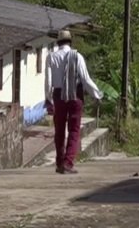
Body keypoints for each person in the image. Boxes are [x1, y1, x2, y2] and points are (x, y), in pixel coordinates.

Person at [43, 29, 102, 174]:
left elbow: (48, 81)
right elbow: (85, 78)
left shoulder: (51, 57)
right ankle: (68, 163)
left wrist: (49, 98)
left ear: (58, 42)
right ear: (70, 42)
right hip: (75, 95)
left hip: (58, 95)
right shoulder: (77, 56)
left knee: (59, 130)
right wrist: (97, 95)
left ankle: (59, 163)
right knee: (74, 130)